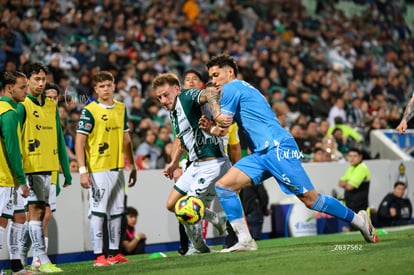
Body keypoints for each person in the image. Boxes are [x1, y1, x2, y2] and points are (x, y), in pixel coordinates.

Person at [202, 54, 378, 252]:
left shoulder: (231, 87)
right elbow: (224, 128)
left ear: (230, 72)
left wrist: (210, 107)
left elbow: (223, 121)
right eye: (211, 77)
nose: (213, 80)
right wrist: (212, 128)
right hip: (262, 153)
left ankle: (360, 221)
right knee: (224, 187)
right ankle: (245, 240)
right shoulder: (241, 89)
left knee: (311, 200)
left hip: (277, 148)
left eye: (216, 75)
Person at [152, 72, 230, 255]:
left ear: (177, 89)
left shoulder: (186, 97)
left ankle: (198, 248)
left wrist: (216, 113)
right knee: (172, 204)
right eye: (159, 97)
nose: (163, 100)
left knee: (186, 206)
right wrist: (173, 163)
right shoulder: (173, 112)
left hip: (212, 164)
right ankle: (216, 218)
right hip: (195, 165)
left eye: (166, 95)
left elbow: (210, 92)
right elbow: (181, 139)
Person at [75, 71, 137, 267]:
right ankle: (98, 255)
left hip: (118, 167)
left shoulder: (121, 108)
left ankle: (113, 253)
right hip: (98, 168)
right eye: (101, 86)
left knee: (117, 212)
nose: (106, 89)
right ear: (95, 89)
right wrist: (83, 170)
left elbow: (126, 139)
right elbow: (79, 141)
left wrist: (133, 164)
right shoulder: (90, 110)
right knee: (98, 211)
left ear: (114, 86)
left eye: (109, 85)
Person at [17, 62, 72, 273]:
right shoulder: (21, 106)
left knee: (36, 214)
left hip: (48, 169)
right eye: (36, 79)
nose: (40, 84)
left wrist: (65, 171)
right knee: (37, 213)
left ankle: (21, 258)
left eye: (43, 79)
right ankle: (41, 260)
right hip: (29, 168)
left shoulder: (51, 105)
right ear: (27, 80)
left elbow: (58, 138)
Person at [0, 71, 30, 274]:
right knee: (2, 221)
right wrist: (21, 180)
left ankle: (17, 266)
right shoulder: (8, 113)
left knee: (20, 217)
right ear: (9, 88)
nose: (26, 91)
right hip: (5, 176)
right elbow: (12, 149)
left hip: (8, 175)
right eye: (22, 87)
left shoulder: (8, 109)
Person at [338, 148, 371, 213]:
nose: (352, 159)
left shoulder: (362, 168)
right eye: (350, 156)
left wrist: (346, 183)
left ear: (360, 157)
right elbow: (340, 182)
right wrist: (347, 183)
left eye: (354, 156)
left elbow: (350, 187)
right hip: (351, 205)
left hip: (360, 208)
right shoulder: (351, 168)